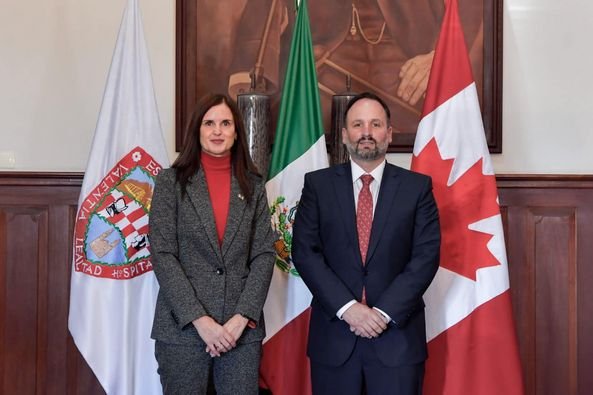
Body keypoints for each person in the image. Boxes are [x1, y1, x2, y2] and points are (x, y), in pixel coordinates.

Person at [292, 92, 441, 394]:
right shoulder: (317, 185)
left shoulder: (417, 188)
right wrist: (349, 309)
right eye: (358, 125)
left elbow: (425, 257)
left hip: (397, 340)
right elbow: (305, 253)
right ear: (345, 134)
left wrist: (382, 313)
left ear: (389, 132)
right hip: (335, 338)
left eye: (375, 124)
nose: (367, 133)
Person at [149, 93, 275, 394]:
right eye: (209, 123)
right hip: (182, 330)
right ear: (197, 130)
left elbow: (264, 255)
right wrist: (200, 320)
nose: (217, 131)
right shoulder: (170, 182)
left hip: (240, 334)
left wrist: (241, 318)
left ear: (236, 132)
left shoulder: (254, 185)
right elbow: (163, 254)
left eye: (225, 123)